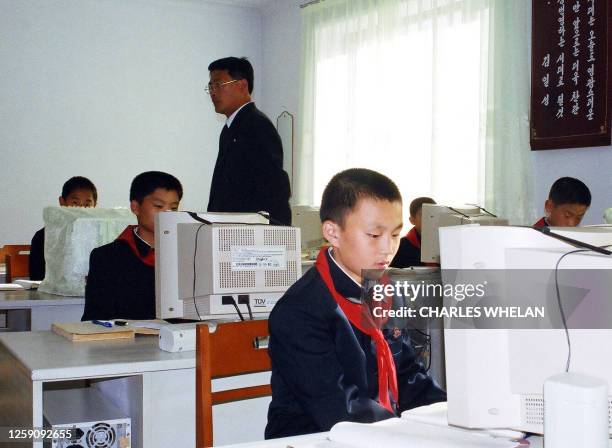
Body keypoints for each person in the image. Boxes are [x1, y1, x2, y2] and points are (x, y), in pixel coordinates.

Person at [265, 168, 446, 439]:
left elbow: (407, 375)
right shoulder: (300, 312)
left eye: (395, 234)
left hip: (381, 433)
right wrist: (409, 435)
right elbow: (339, 410)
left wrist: (452, 415)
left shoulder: (388, 293)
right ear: (332, 233)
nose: (388, 248)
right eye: (374, 235)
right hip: (316, 438)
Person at [81, 171, 182, 321]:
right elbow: (95, 318)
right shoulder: (106, 257)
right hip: (124, 342)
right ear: (135, 207)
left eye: (173, 208)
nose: (167, 214)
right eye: (159, 206)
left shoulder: (187, 253)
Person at [206, 56, 291, 225]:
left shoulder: (257, 125)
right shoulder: (229, 129)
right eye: (210, 86)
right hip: (229, 230)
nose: (213, 92)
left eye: (218, 85)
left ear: (242, 85)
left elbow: (274, 188)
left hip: (251, 236)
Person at [29, 176, 98, 281]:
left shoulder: (101, 236)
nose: (81, 209)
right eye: (75, 203)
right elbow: (37, 278)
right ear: (62, 202)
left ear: (95, 206)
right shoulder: (44, 237)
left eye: (87, 205)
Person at [390, 197, 436, 268]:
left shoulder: (444, 243)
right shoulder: (401, 246)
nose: (429, 219)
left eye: (433, 215)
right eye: (423, 215)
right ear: (412, 220)